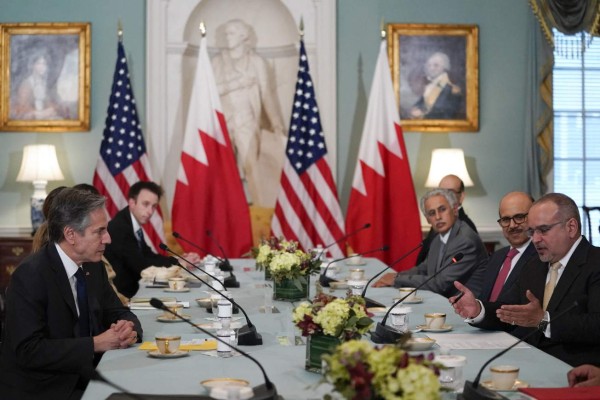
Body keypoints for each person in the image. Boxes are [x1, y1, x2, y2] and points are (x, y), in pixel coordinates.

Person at [0, 188, 142, 400]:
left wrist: (128, 328)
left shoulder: (93, 266)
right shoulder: (30, 275)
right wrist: (95, 343)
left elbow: (119, 311)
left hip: (89, 375)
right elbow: (29, 350)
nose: (108, 239)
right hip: (45, 388)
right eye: (99, 231)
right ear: (71, 234)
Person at [451, 193, 600, 366]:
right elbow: (510, 310)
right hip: (527, 360)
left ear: (571, 227)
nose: (535, 239)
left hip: (572, 367)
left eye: (543, 230)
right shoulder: (534, 265)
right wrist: (478, 309)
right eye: (532, 231)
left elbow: (596, 325)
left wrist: (544, 321)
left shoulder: (595, 262)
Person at [212, 19, 286, 207]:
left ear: (242, 36)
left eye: (231, 33)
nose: (227, 37)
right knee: (223, 169)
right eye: (226, 33)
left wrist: (276, 122)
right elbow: (209, 92)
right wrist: (237, 83)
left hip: (246, 120)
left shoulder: (256, 62)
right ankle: (225, 209)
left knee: (251, 165)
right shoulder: (217, 62)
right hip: (222, 122)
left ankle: (260, 209)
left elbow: (266, 94)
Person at [374, 188, 488, 297]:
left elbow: (441, 283)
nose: (438, 217)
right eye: (432, 213)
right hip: (445, 299)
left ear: (454, 210)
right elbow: (423, 269)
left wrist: (396, 279)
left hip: (466, 307)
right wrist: (395, 276)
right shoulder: (438, 238)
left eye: (442, 209)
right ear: (428, 219)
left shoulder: (464, 240)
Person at [104, 181, 200, 298]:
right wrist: (178, 264)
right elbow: (142, 265)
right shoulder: (120, 227)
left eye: (154, 206)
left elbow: (149, 255)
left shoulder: (130, 222)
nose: (150, 211)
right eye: (145, 204)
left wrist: (178, 259)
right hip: (124, 296)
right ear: (132, 202)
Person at [478, 192, 537, 302]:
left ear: (534, 217)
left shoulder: (541, 257)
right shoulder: (496, 257)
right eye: (505, 219)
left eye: (519, 217)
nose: (512, 225)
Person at [416, 174, 477, 264]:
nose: (444, 197)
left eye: (450, 192)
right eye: (440, 192)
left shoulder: (466, 227)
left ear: (461, 197)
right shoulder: (440, 221)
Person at [10, 52, 68, 120]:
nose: (42, 67)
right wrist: (38, 113)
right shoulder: (26, 84)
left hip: (43, 115)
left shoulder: (43, 83)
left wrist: (53, 108)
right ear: (33, 65)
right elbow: (22, 107)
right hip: (31, 116)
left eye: (44, 64)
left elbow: (47, 102)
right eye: (39, 63)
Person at [408, 51, 463, 120]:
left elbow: (447, 116)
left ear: (444, 67)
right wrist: (415, 110)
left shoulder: (453, 90)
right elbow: (421, 103)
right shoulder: (429, 85)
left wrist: (422, 115)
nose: (431, 68)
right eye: (429, 65)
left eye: (436, 65)